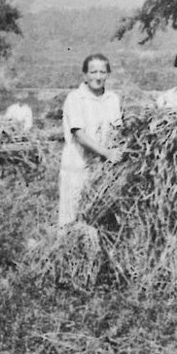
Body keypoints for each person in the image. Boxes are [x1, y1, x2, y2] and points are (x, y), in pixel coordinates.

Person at [59, 53, 124, 226]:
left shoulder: (112, 99)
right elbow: (79, 134)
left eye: (102, 72)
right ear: (85, 75)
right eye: (93, 72)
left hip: (103, 167)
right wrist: (107, 153)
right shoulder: (75, 98)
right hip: (78, 165)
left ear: (108, 74)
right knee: (72, 214)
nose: (98, 77)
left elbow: (117, 131)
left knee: (98, 215)